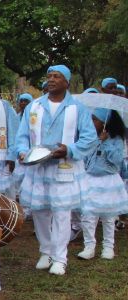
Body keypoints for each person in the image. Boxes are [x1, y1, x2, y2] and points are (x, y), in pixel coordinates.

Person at [15, 65, 98, 276]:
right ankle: (46, 251)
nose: (51, 79)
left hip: (64, 168)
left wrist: (70, 150)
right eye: (49, 76)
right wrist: (23, 151)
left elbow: (89, 138)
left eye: (57, 76)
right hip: (39, 168)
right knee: (40, 211)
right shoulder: (34, 106)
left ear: (66, 82)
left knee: (62, 213)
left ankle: (60, 258)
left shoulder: (77, 108)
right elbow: (22, 136)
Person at [77, 108, 128, 260]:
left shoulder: (116, 139)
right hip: (90, 180)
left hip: (108, 181)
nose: (92, 122)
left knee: (108, 216)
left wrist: (105, 143)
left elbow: (116, 161)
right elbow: (85, 158)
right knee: (88, 215)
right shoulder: (92, 138)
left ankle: (108, 247)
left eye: (95, 120)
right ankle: (89, 246)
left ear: (105, 122)